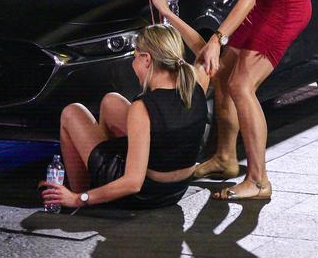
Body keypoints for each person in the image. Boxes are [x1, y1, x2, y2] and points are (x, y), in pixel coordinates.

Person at [152, 0, 312, 200]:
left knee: (241, 85)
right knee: (225, 76)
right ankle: (225, 159)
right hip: (268, 1)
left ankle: (258, 181)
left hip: (285, 3)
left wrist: (217, 38)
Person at [40, 22, 210, 209]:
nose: (133, 63)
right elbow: (204, 50)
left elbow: (133, 183)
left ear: (147, 59)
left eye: (135, 56)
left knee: (71, 113)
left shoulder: (144, 107)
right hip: (177, 190)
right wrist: (167, 13)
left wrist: (78, 198)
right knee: (111, 101)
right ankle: (100, 182)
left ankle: (81, 195)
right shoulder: (196, 81)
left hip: (146, 194)